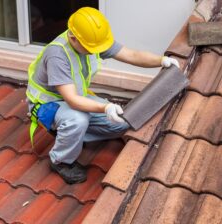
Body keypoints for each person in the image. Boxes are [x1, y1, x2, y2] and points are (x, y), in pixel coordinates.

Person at [26, 7, 179, 184]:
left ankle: (72, 135)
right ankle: (60, 160)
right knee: (77, 120)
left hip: (75, 98)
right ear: (73, 39)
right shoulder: (57, 55)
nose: (95, 51)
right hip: (49, 105)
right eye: (91, 48)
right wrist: (104, 107)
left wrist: (161, 61)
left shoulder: (92, 40)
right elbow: (72, 100)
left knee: (121, 123)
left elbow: (131, 54)